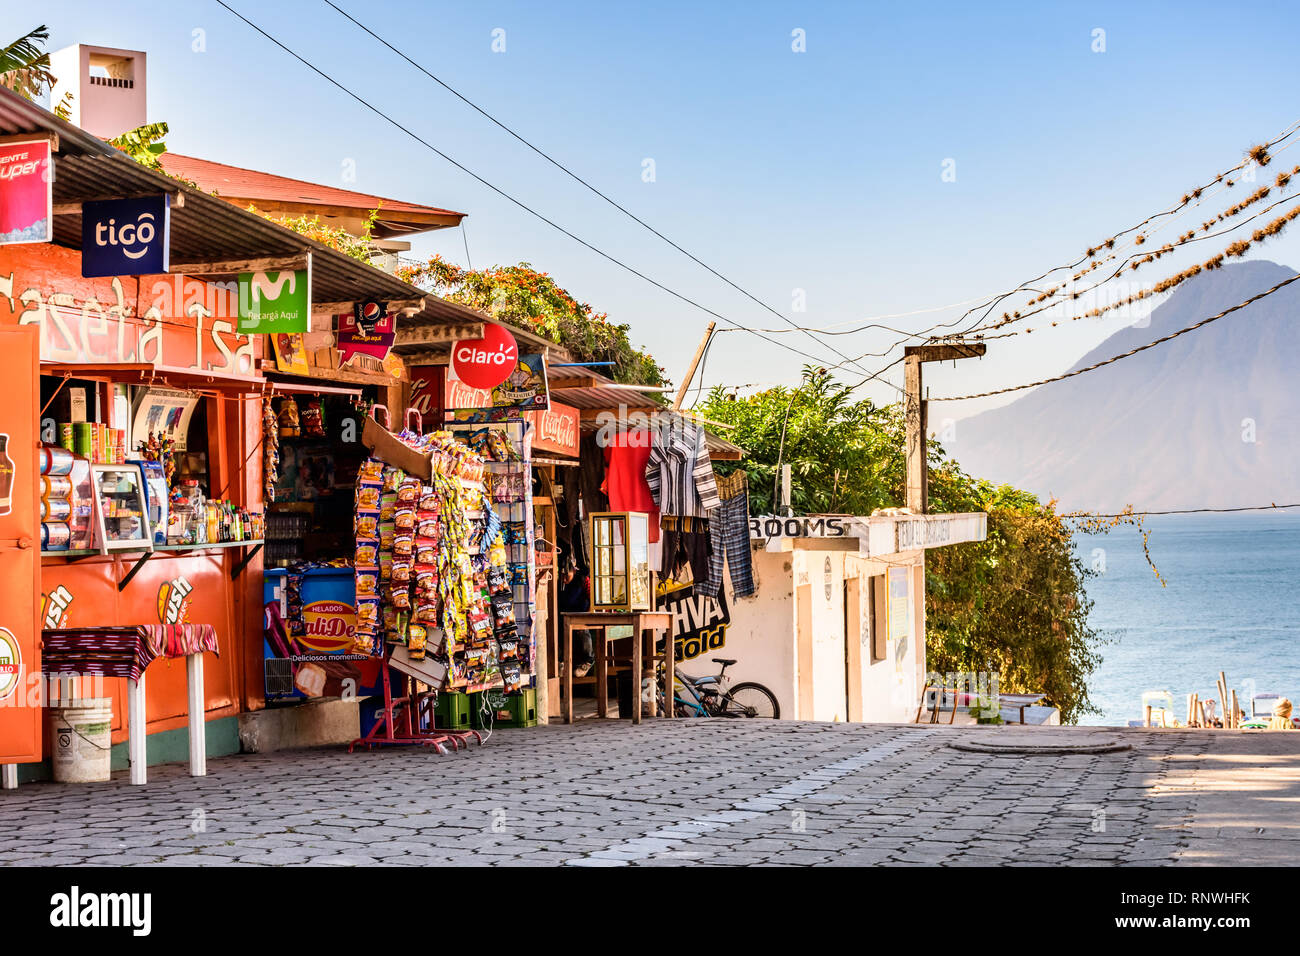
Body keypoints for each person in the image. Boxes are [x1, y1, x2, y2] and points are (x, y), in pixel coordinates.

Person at [559, 555, 595, 677]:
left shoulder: (583, 580)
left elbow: (593, 599)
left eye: (566, 576)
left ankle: (588, 660)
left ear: (574, 571)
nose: (564, 579)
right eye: (562, 576)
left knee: (583, 631)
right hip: (565, 614)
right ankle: (561, 661)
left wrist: (587, 618)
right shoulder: (560, 583)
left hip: (582, 614)